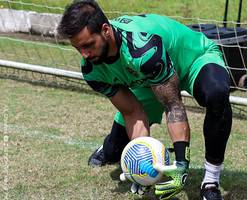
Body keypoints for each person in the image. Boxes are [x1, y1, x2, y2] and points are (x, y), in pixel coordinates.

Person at [58, 0, 232, 199]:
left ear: (106, 30)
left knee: (217, 94)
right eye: (78, 48)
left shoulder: (142, 49)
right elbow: (132, 111)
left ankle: (210, 181)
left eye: (88, 45)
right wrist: (140, 166)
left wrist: (181, 166)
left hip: (193, 59)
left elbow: (173, 105)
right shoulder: (91, 69)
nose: (84, 54)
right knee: (115, 150)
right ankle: (108, 149)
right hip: (150, 79)